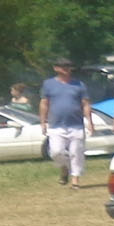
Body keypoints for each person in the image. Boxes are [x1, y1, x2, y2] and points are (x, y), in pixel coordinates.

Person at [39, 57, 90, 188]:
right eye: (63, 66)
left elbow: (85, 104)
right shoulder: (48, 84)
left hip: (76, 124)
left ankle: (75, 180)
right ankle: (65, 168)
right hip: (56, 124)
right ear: (56, 68)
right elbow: (44, 103)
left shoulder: (79, 85)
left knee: (76, 153)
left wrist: (89, 121)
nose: (66, 68)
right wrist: (43, 121)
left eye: (68, 66)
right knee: (56, 152)